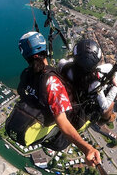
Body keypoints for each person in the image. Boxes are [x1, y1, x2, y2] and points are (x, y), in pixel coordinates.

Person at [13, 31, 101, 167]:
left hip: (39, 129)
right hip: (57, 138)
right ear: (45, 50)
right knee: (95, 108)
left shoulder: (26, 75)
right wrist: (86, 148)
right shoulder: (51, 82)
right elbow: (63, 122)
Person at [58, 39, 117, 125]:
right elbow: (104, 105)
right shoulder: (94, 83)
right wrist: (115, 88)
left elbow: (64, 64)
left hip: (69, 91)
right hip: (84, 97)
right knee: (116, 73)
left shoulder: (64, 66)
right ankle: (102, 121)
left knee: (111, 69)